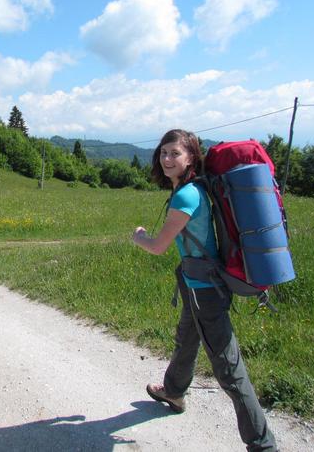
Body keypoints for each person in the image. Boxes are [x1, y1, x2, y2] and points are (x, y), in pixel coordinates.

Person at [131, 129, 277, 452]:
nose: (167, 159)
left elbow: (157, 246)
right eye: (164, 152)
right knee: (187, 335)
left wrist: (139, 235)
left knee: (229, 369)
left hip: (203, 289)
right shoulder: (194, 188)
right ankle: (173, 390)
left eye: (175, 153)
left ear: (191, 158)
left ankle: (263, 444)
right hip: (196, 281)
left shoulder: (185, 196)